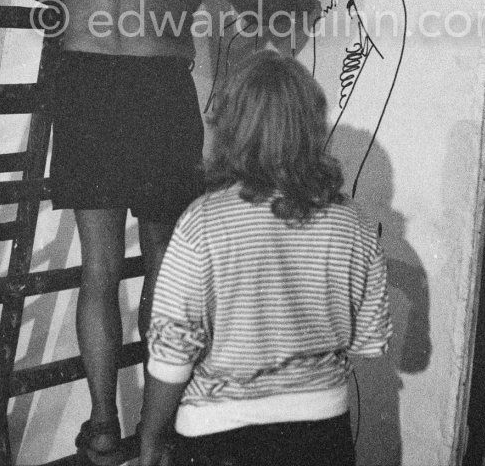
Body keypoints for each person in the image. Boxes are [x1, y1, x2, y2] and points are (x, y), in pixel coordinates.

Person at [12, 0, 319, 466]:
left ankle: (100, 429)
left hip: (87, 85)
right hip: (156, 93)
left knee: (97, 270)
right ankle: (161, 432)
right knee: (162, 264)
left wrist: (76, 5)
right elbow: (266, 18)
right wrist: (302, 1)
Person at [140, 50, 392, 466]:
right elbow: (371, 343)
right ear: (311, 126)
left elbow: (172, 352)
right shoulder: (353, 222)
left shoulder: (202, 221)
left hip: (218, 439)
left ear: (231, 127)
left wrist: (151, 434)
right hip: (323, 434)